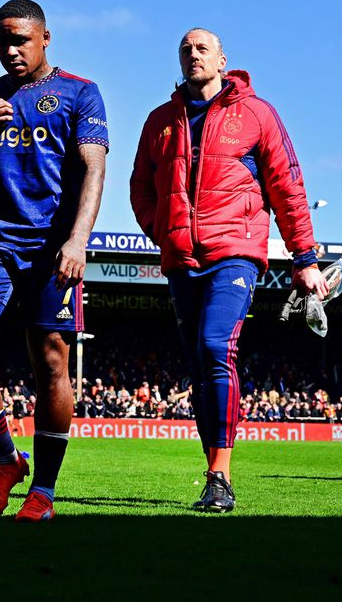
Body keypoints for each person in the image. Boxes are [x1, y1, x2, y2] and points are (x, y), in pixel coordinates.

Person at [130, 28, 327, 512]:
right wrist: (164, 232)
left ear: (223, 61)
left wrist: (305, 259)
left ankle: (221, 474)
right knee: (200, 364)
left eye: (202, 49)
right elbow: (141, 188)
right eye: (185, 49)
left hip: (235, 253)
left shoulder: (257, 114)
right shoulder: (160, 121)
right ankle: (213, 472)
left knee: (217, 346)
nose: (192, 55)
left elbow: (288, 186)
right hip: (181, 259)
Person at [0, 0, 107, 522]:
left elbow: (93, 169)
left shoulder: (80, 93)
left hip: (52, 248)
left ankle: (45, 491)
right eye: (2, 41)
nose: (11, 50)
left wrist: (78, 240)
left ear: (45, 38)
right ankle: (6, 459)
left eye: (21, 40)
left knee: (52, 362)